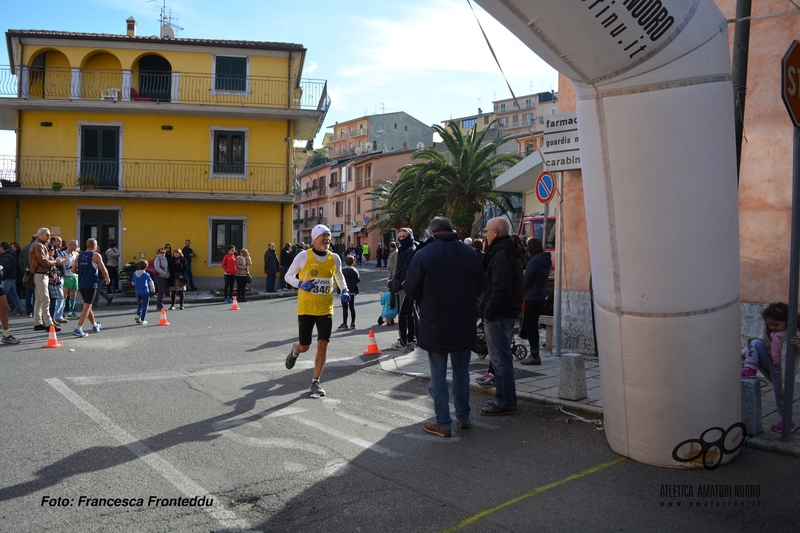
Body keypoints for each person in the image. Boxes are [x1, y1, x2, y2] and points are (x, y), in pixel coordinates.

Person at [405, 216, 484, 437]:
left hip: (435, 323)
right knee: (461, 373)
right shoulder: (470, 253)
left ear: (432, 232)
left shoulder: (424, 254)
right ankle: (464, 416)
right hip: (463, 322)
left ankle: (443, 423)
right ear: (451, 230)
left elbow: (411, 291)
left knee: (438, 376)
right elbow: (481, 286)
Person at [284, 224, 350, 398]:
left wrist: (345, 290)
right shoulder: (303, 256)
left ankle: (315, 382)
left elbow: (339, 276)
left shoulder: (334, 257)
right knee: (305, 346)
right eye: (324, 236)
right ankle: (295, 350)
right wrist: (301, 284)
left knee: (323, 344)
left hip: (325, 308)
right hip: (306, 308)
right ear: (315, 239)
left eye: (329, 236)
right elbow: (288, 276)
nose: (327, 239)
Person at [478, 217, 526, 416]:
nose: (485, 235)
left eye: (487, 231)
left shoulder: (501, 254)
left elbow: (500, 288)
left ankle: (505, 401)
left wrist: (488, 311)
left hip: (499, 315)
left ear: (495, 232)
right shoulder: (509, 250)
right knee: (502, 358)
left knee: (500, 359)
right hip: (504, 312)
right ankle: (507, 398)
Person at [741, 302, 800, 433]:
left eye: (776, 324)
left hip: (783, 370)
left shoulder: (793, 334)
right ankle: (750, 369)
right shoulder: (768, 332)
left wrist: (799, 344)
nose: (772, 327)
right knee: (755, 341)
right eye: (770, 324)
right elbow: (758, 344)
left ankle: (787, 422)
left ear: (786, 321)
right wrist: (741, 354)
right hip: (770, 363)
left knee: (781, 395)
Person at [520, 238, 552, 365]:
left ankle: (534, 356)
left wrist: (521, 278)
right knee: (532, 326)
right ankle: (535, 354)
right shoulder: (544, 261)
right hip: (540, 297)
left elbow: (527, 282)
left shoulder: (533, 262)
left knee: (529, 326)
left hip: (531, 297)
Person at [29, 228, 68, 332]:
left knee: (39, 300)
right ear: (40, 235)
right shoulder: (39, 246)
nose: (49, 237)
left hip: (41, 274)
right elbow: (44, 262)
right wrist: (56, 261)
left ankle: (38, 323)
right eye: (47, 235)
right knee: (45, 299)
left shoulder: (39, 245)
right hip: (40, 274)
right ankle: (49, 324)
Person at [71, 238, 111, 338]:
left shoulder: (79, 255)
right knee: (87, 307)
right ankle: (78, 328)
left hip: (81, 284)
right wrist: (107, 278)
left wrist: (83, 273)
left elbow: (73, 269)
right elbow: (103, 268)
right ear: (95, 246)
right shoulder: (96, 255)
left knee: (88, 306)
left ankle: (94, 325)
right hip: (91, 284)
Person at [391, 228, 417, 352]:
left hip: (405, 286)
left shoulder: (410, 250)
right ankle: (410, 340)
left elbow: (406, 270)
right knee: (408, 314)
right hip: (406, 285)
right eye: (399, 236)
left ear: (410, 236)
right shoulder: (405, 249)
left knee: (403, 314)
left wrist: (399, 283)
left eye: (404, 236)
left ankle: (403, 342)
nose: (401, 238)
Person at [0, 241, 23, 316]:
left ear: (2, 248)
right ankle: (19, 309)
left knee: (2, 294)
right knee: (14, 294)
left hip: (8, 278)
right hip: (11, 277)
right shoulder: (10, 255)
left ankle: (17, 309)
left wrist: (3, 277)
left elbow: (7, 268)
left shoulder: (7, 256)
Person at [338, 255, 360, 330]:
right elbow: (358, 280)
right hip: (352, 291)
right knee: (352, 307)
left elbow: (339, 279)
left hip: (344, 291)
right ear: (353, 262)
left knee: (345, 308)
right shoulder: (355, 270)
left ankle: (345, 323)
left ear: (345, 262)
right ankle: (353, 323)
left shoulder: (342, 270)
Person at [132, 260, 155, 325]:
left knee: (140, 304)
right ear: (146, 267)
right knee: (145, 305)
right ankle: (143, 320)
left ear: (138, 266)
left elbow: (133, 283)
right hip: (145, 291)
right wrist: (152, 289)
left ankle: (138, 315)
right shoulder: (145, 274)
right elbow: (150, 282)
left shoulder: (134, 273)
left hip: (137, 291)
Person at [62, 240, 80, 319]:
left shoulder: (76, 254)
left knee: (73, 295)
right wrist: (68, 266)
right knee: (64, 295)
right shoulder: (63, 253)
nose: (76, 247)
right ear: (70, 245)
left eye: (77, 245)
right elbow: (60, 265)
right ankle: (61, 312)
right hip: (66, 275)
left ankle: (71, 312)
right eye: (75, 245)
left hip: (75, 276)